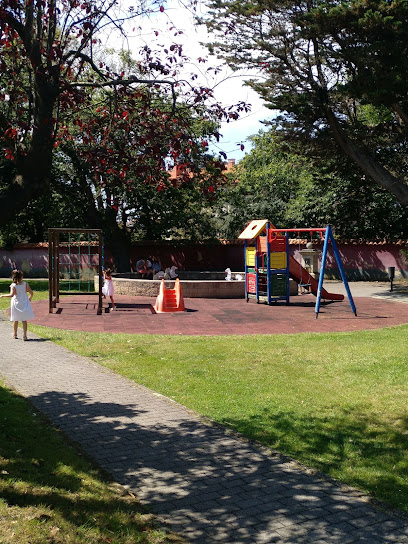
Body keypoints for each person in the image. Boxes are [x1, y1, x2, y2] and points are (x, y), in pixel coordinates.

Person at [0, 269, 34, 340]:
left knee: (16, 319)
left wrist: (3, 295)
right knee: (24, 320)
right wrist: (30, 297)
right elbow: (31, 292)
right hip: (24, 302)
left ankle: (15, 334)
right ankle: (25, 335)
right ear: (21, 277)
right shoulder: (25, 284)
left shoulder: (13, 285)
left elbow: (11, 295)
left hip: (16, 303)